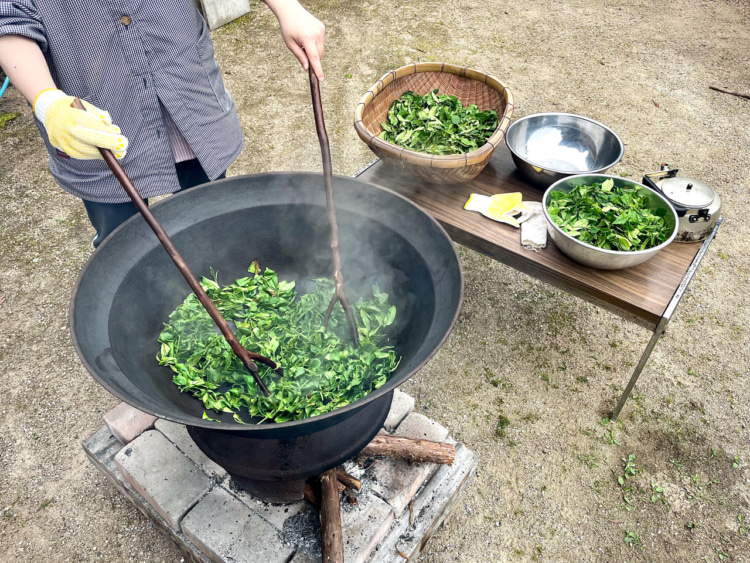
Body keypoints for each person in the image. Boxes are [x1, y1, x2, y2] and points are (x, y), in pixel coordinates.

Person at [0, 0, 325, 247]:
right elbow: (9, 17)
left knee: (213, 222)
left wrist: (287, 7)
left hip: (185, 87)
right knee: (121, 244)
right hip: (95, 111)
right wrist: (46, 100)